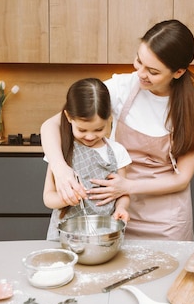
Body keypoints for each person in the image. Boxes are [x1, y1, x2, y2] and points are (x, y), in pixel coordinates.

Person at [41, 20, 194, 240]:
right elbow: (51, 125)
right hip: (116, 211)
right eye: (139, 61)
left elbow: (182, 178)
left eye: (152, 71)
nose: (140, 74)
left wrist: (127, 186)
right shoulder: (121, 87)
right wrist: (60, 168)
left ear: (178, 72)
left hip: (167, 219)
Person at [43, 78, 131, 240]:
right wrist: (66, 198)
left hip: (105, 236)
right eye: (82, 130)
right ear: (69, 117)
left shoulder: (118, 152)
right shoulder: (60, 149)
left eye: (99, 129)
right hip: (63, 237)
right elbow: (48, 197)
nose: (90, 136)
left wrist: (121, 208)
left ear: (109, 118)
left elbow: (123, 193)